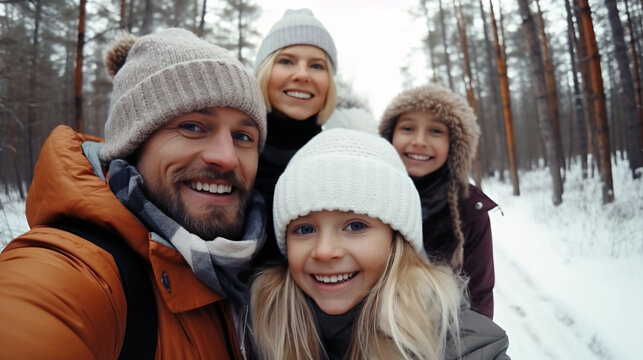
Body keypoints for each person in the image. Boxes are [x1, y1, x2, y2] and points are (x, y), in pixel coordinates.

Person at [0, 28, 268, 359]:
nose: (226, 158)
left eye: (243, 136)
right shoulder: (77, 272)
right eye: (193, 127)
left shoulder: (257, 277)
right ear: (133, 146)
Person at [249, 128, 510, 359]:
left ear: (396, 239)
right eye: (305, 229)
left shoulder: (458, 341)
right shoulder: (260, 331)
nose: (325, 251)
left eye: (355, 226)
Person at [379, 83, 498, 319]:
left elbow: (479, 296)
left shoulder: (469, 209)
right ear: (389, 136)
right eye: (408, 128)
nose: (420, 141)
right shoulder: (369, 195)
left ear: (454, 145)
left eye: (435, 131)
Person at [252, 8, 337, 266]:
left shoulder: (342, 161)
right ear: (265, 71)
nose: (302, 74)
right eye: (286, 61)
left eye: (316, 65)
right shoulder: (227, 151)